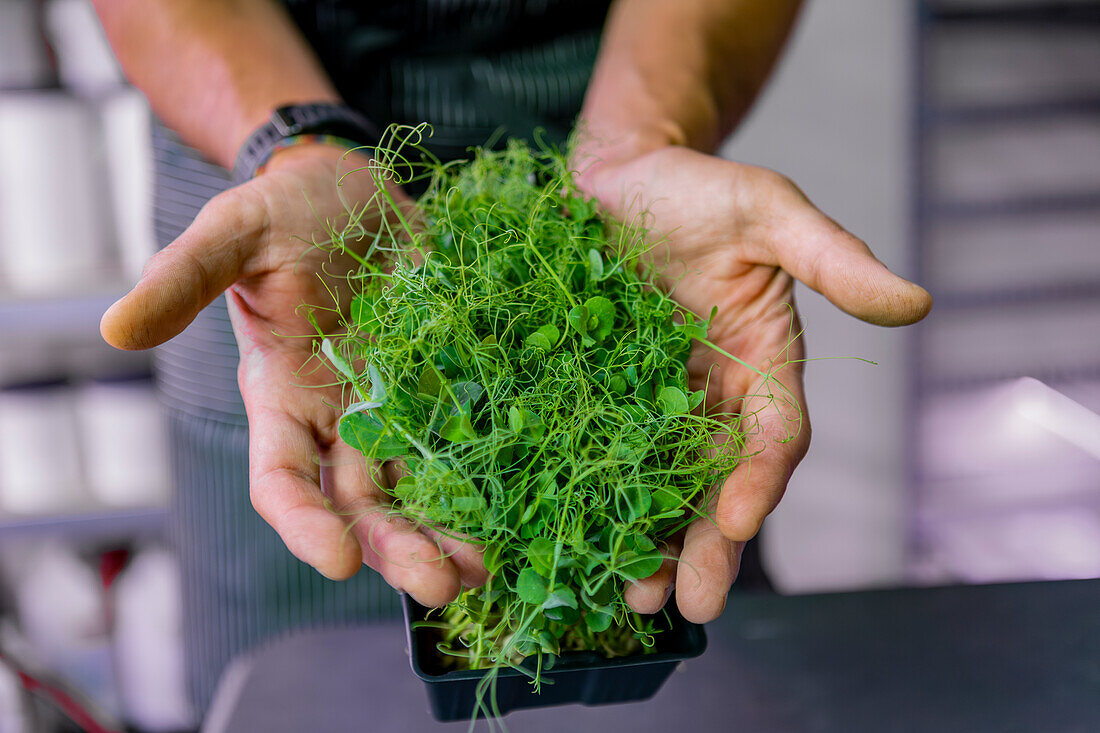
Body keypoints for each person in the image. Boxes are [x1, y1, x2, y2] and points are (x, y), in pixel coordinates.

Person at [92, 0, 931, 712]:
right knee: (305, 681)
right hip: (306, 260)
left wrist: (645, 135)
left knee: (669, 623)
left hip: (622, 183)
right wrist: (294, 141)